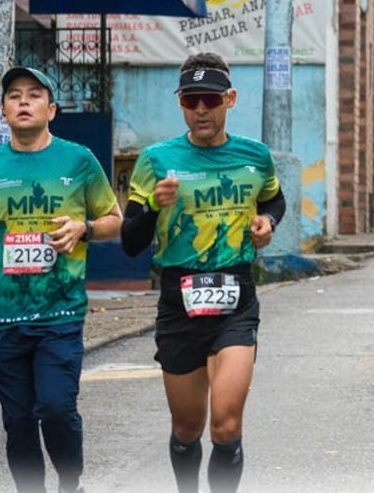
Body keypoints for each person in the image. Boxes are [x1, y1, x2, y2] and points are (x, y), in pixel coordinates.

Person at [120, 52, 286, 493]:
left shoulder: (255, 156)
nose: (200, 110)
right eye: (190, 100)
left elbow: (273, 199)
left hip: (236, 294)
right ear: (181, 103)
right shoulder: (156, 160)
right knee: (188, 427)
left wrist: (267, 222)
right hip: (179, 298)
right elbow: (130, 240)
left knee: (227, 425)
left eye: (209, 99)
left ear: (229, 99)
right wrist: (154, 204)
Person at [0, 67, 123, 493]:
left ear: (52, 109)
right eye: (14, 96)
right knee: (18, 420)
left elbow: (114, 221)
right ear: (5, 110)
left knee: (55, 407)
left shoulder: (79, 160)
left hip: (59, 312)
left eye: (33, 95)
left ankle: (71, 482)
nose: (23, 102)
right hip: (0, 316)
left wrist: (83, 228)